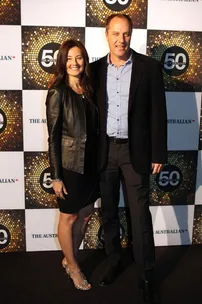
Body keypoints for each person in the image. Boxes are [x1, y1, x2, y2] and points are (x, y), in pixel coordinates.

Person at [90, 14, 167, 303]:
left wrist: (158, 152)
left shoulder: (149, 67)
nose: (121, 40)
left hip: (137, 153)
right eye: (116, 34)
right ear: (106, 35)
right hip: (105, 152)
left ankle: (147, 273)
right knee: (108, 212)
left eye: (126, 34)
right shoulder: (95, 70)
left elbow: (158, 113)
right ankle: (114, 262)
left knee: (139, 216)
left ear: (131, 36)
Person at [46, 39, 98, 290]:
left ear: (84, 60)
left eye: (78, 58)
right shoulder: (58, 91)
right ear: (62, 62)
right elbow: (53, 136)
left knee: (86, 215)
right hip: (69, 166)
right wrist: (56, 176)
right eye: (69, 58)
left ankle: (69, 259)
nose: (74, 63)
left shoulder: (89, 88)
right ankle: (74, 267)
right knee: (69, 217)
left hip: (91, 164)